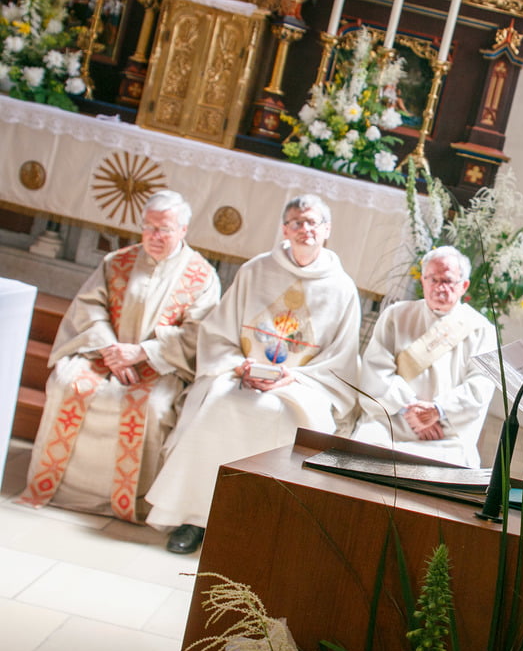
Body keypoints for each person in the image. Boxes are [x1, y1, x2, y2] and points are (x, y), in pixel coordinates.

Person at [146, 194, 361, 554]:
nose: (304, 229)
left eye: (312, 222)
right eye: (296, 222)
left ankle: (264, 529)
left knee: (282, 414)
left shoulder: (342, 288)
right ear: (284, 229)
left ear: (327, 230)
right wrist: (240, 366)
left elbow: (342, 360)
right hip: (241, 374)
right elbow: (218, 333)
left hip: (302, 384)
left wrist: (295, 378)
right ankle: (194, 517)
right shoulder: (255, 270)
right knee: (219, 404)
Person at [19, 190, 221, 522]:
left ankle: (127, 503)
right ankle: (55, 487)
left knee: (154, 407)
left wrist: (141, 352)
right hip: (104, 353)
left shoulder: (202, 277)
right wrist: (110, 350)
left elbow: (197, 333)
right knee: (68, 385)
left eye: (164, 229)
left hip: (159, 363)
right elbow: (89, 309)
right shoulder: (118, 261)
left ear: (183, 230)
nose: (154, 236)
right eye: (149, 227)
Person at [352, 246, 496, 468]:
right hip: (393, 420)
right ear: (423, 281)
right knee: (363, 450)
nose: (440, 287)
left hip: (444, 432)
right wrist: (409, 409)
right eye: (433, 280)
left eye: (448, 281)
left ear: (464, 285)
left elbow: (480, 387)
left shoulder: (481, 330)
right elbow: (376, 370)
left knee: (446, 466)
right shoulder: (396, 315)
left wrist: (437, 410)